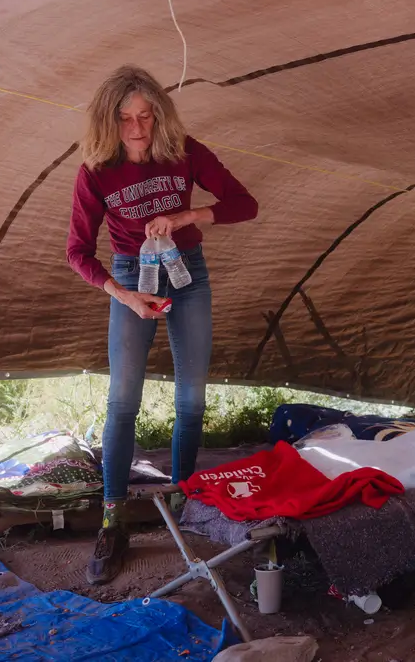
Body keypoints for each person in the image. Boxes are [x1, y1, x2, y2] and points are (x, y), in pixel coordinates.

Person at [66, 65, 258, 584]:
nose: (136, 129)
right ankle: (113, 520)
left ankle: (183, 498)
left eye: (145, 116)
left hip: (187, 274)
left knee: (190, 401)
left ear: (159, 114)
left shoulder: (185, 152)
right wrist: (123, 295)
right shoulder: (97, 171)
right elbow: (77, 252)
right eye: (126, 119)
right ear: (109, 121)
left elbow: (246, 205)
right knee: (123, 401)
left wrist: (185, 216)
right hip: (133, 280)